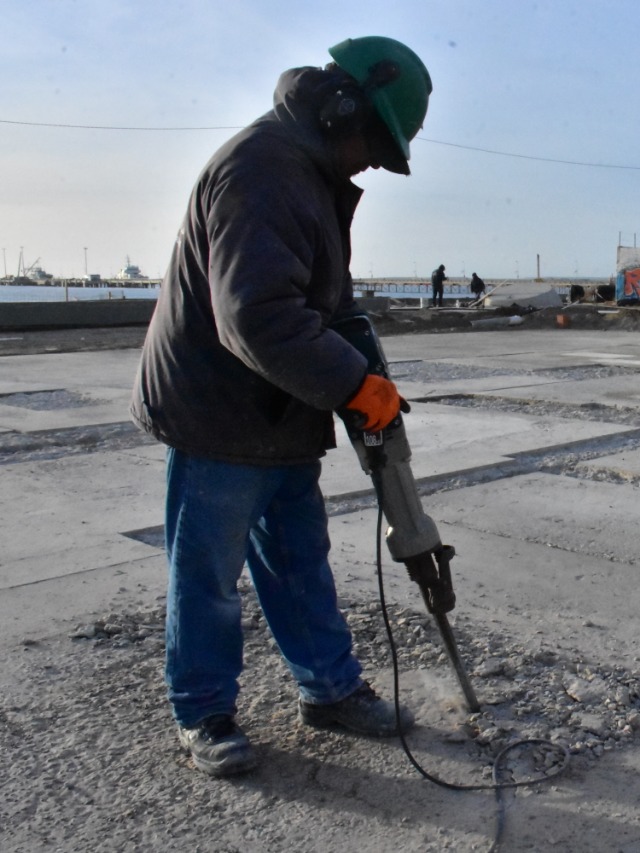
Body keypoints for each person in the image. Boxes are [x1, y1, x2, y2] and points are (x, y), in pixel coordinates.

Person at [129, 36, 433, 778]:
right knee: (207, 572)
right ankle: (202, 710)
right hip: (219, 413)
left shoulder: (309, 170)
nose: (370, 163)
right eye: (373, 142)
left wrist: (362, 372)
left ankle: (328, 689)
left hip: (283, 408)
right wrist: (350, 384)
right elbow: (257, 317)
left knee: (300, 561)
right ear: (341, 108)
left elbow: (323, 299)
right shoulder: (264, 169)